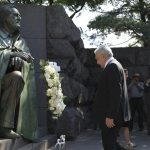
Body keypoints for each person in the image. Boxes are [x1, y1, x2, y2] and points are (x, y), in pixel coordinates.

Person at [0, 5, 38, 140]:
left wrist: (19, 62)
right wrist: (11, 55)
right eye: (15, 15)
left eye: (19, 15)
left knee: (17, 77)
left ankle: (5, 127)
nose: (19, 18)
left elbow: (29, 62)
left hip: (9, 83)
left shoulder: (21, 42)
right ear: (4, 18)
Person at [93, 45, 131, 150]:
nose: (97, 62)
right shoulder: (115, 65)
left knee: (109, 145)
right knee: (111, 144)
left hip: (111, 117)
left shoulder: (112, 66)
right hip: (112, 115)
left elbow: (116, 93)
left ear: (103, 55)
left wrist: (110, 116)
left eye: (97, 59)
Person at [122, 69, 136, 149]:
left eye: (127, 74)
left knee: (126, 125)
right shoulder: (119, 82)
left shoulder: (127, 81)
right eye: (125, 74)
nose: (127, 76)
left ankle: (128, 143)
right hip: (119, 108)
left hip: (126, 106)